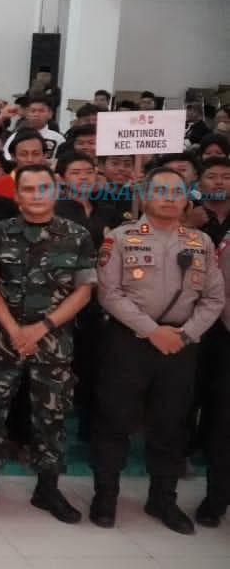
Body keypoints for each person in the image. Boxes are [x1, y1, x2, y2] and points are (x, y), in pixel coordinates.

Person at [91, 168, 225, 534]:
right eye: (160, 190)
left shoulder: (200, 242)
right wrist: (152, 331)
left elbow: (214, 298)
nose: (168, 197)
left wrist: (185, 335)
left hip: (180, 346)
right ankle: (105, 495)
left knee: (172, 423)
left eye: (176, 191)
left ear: (187, 197)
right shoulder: (121, 239)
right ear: (146, 196)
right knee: (114, 419)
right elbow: (109, 293)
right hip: (129, 342)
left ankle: (162, 498)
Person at [0, 165, 95, 524]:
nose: (36, 194)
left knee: (51, 416)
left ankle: (48, 487)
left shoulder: (77, 235)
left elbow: (84, 290)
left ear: (55, 192)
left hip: (52, 340)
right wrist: (12, 329)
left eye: (43, 188)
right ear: (17, 195)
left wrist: (40, 328)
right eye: (28, 189)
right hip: (2, 339)